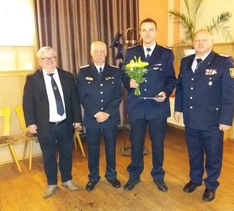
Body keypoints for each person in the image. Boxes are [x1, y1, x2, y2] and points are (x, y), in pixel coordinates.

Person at [174, 29, 234, 201]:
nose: (200, 43)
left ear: (211, 42)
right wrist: (178, 108)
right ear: (193, 43)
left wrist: (226, 118)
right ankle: (195, 179)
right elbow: (180, 87)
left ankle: (211, 184)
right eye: (197, 40)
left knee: (213, 153)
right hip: (191, 117)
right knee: (194, 151)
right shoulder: (186, 61)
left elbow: (230, 93)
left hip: (213, 120)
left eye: (204, 40)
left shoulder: (223, 62)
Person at [121, 18, 176, 192]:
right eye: (144, 30)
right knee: (136, 143)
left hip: (157, 107)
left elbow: (171, 79)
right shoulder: (131, 52)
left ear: (156, 32)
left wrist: (165, 93)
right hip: (137, 106)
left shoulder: (166, 54)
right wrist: (128, 82)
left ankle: (158, 175)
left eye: (150, 30)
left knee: (158, 144)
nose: (147, 33)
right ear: (140, 33)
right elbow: (123, 75)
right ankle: (134, 175)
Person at [23, 46, 82, 198]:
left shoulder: (67, 76)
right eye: (45, 58)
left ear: (56, 59)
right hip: (45, 126)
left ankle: (67, 180)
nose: (49, 61)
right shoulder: (32, 79)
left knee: (66, 154)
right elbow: (28, 103)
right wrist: (30, 122)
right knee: (48, 156)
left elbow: (74, 100)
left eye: (52, 57)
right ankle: (52, 183)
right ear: (40, 61)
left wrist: (77, 119)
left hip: (65, 124)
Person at [77, 41, 123, 191]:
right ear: (91, 53)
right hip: (92, 118)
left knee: (111, 148)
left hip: (110, 118)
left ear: (106, 53)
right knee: (93, 149)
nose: (99, 54)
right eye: (95, 51)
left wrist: (107, 113)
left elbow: (118, 95)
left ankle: (111, 176)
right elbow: (82, 96)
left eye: (102, 51)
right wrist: (96, 113)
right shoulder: (83, 72)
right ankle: (93, 177)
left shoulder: (115, 71)